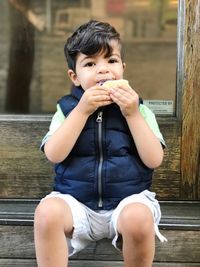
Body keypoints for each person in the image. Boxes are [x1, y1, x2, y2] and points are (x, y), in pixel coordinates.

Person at [34, 20, 167, 267]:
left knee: (138, 217)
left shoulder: (138, 109)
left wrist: (132, 114)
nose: (103, 70)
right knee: (46, 213)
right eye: (91, 64)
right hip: (76, 203)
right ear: (74, 77)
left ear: (123, 68)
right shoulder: (67, 110)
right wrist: (82, 111)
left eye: (111, 61)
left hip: (128, 200)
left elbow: (154, 159)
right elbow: (54, 154)